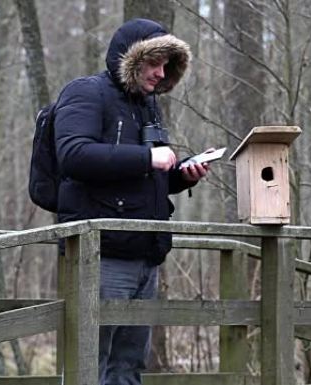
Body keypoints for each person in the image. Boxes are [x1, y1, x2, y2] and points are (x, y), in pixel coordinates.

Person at [53, 18, 209, 385]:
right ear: (132, 59)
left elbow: (140, 180)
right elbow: (73, 156)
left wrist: (178, 176)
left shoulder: (147, 106)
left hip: (145, 255)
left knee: (129, 367)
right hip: (100, 254)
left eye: (167, 66)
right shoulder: (86, 93)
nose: (160, 73)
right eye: (154, 63)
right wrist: (147, 158)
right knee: (88, 364)